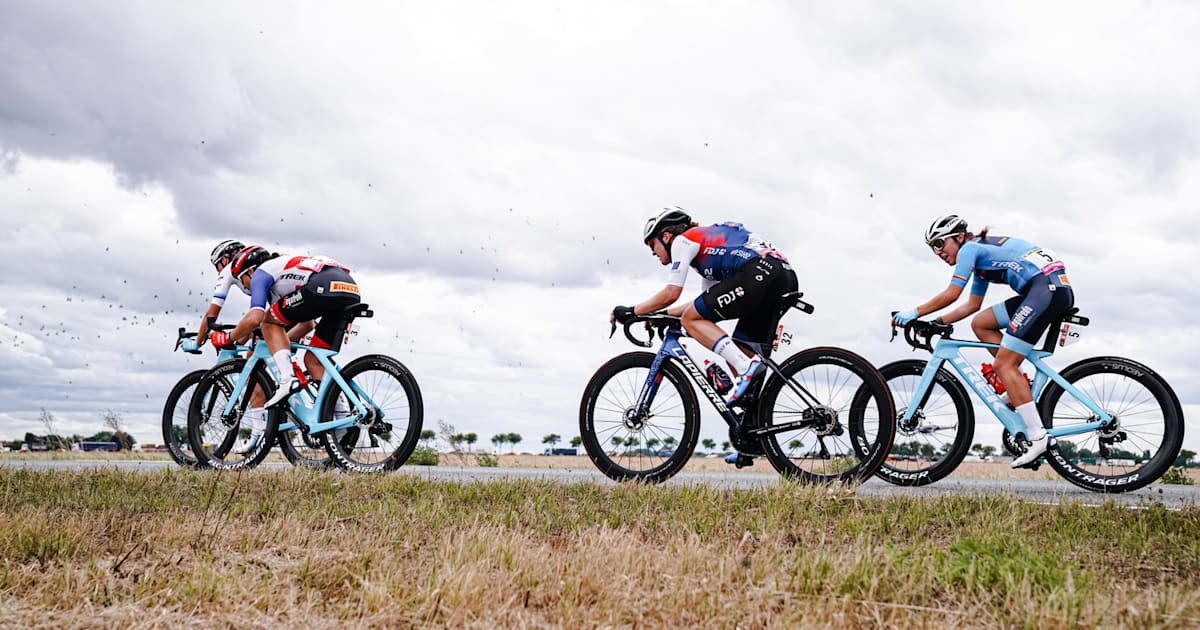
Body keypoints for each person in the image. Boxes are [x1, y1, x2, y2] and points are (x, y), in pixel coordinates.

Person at [892, 215, 1074, 468]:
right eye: (932, 247)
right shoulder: (980, 255)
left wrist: (915, 313)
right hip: (1046, 289)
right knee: (981, 323)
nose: (937, 252)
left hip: (1045, 290)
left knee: (1003, 365)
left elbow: (953, 293)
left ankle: (1037, 437)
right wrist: (937, 323)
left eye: (939, 244)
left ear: (958, 237)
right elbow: (972, 305)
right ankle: (1019, 384)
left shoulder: (971, 248)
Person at [611, 208, 797, 403]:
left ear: (666, 236)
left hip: (759, 273)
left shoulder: (682, 241)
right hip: (782, 277)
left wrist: (632, 311)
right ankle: (757, 423)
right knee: (739, 348)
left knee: (696, 324)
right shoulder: (707, 253)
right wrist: (663, 315)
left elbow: (671, 294)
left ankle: (745, 368)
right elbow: (704, 304)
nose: (652, 252)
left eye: (651, 243)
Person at [209, 247, 361, 424]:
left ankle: (287, 379)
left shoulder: (260, 272)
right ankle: (342, 423)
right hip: (348, 288)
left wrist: (228, 338)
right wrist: (280, 347)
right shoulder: (281, 280)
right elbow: (306, 324)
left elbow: (256, 318)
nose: (245, 287)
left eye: (243, 281)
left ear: (249, 271)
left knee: (267, 321)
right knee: (313, 361)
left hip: (323, 286)